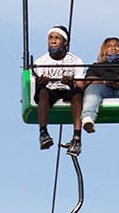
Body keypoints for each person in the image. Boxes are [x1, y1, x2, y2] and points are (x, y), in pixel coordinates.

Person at [32, 26, 86, 156]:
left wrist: (71, 82)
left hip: (67, 90)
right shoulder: (40, 62)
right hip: (51, 91)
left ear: (65, 42)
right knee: (43, 93)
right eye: (51, 38)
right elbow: (36, 80)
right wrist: (41, 82)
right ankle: (43, 133)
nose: (53, 41)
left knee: (77, 94)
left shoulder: (75, 61)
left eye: (57, 38)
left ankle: (77, 138)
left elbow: (81, 85)